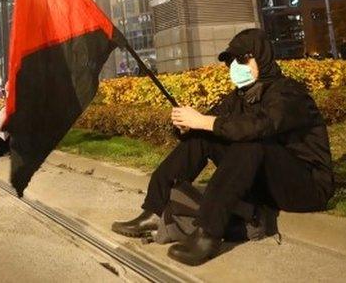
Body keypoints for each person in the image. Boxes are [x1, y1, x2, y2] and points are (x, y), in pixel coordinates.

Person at [111, 29, 334, 266]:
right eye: (230, 62)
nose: (235, 67)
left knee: (250, 141)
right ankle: (154, 211)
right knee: (203, 137)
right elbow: (212, 122)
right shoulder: (240, 96)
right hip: (267, 184)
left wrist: (204, 122)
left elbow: (261, 126)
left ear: (262, 57)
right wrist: (187, 126)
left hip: (306, 186)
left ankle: (208, 233)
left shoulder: (287, 92)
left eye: (242, 59)